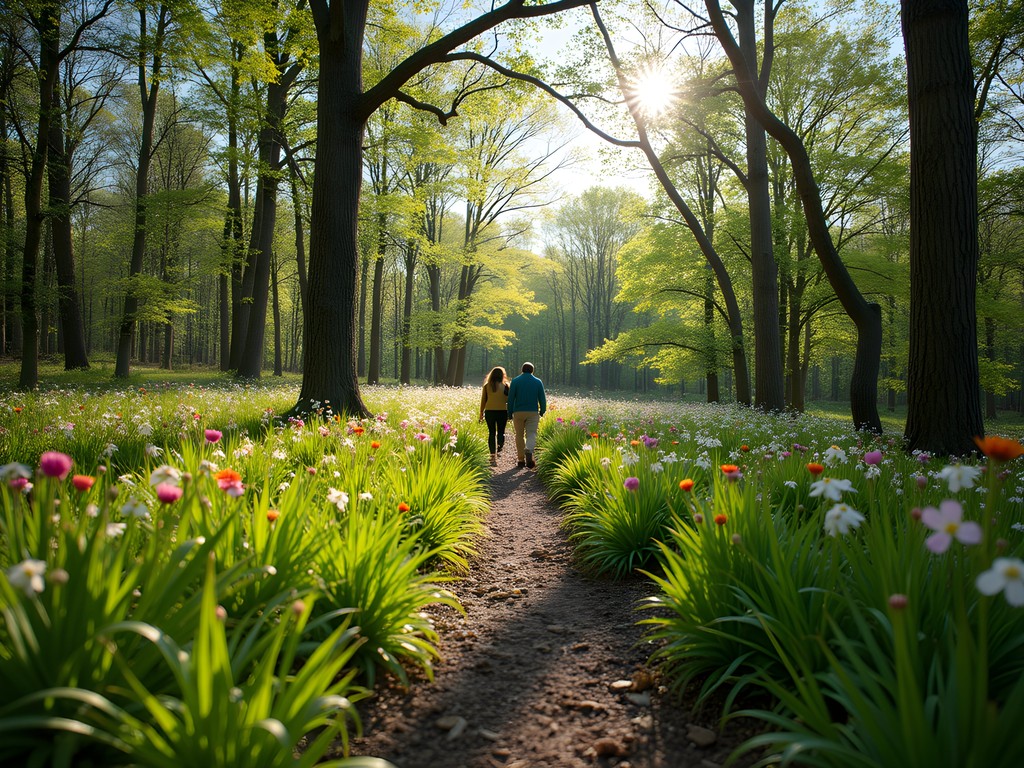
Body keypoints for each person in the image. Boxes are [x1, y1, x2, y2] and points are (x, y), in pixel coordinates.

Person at [507, 361, 546, 469]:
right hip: (532, 412)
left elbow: (511, 398)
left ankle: (520, 460)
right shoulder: (538, 382)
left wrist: (509, 412)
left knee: (519, 435)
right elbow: (542, 398)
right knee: (532, 433)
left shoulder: (515, 381)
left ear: (522, 370)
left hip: (518, 412)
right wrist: (542, 410)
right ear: (532, 370)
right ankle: (529, 449)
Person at [479, 366, 509, 465]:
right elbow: (508, 400)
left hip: (489, 412)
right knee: (501, 432)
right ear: (502, 375)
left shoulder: (487, 386)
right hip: (502, 412)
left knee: (492, 432)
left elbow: (483, 400)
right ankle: (499, 448)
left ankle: (492, 455)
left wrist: (481, 413)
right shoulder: (506, 386)